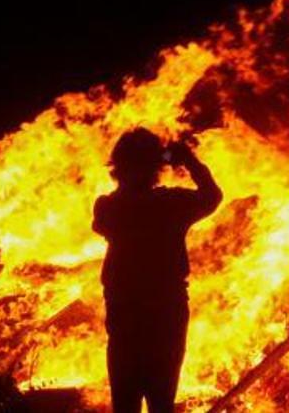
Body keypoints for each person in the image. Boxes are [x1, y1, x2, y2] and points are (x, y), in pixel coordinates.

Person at [93, 128, 222, 413]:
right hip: (166, 315)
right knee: (161, 402)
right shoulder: (171, 204)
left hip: (126, 315)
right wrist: (186, 159)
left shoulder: (108, 207)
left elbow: (103, 221)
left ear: (117, 168)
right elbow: (212, 196)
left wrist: (156, 161)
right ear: (156, 169)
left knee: (125, 403)